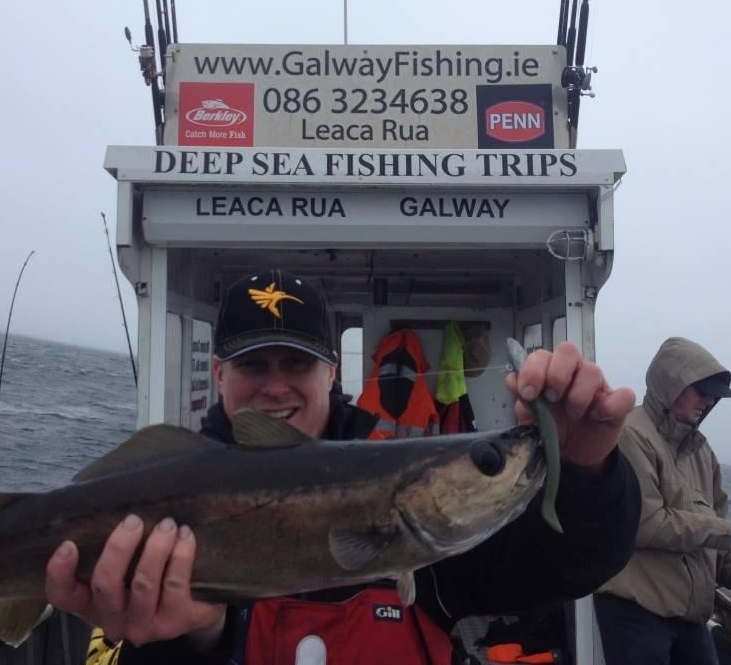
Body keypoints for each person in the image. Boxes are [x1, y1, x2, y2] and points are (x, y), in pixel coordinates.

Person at [46, 269, 642, 664]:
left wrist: (587, 468)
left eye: (296, 364)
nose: (275, 387)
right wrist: (190, 639)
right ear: (220, 376)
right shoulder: (158, 494)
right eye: (254, 365)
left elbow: (575, 560)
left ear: (332, 374)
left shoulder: (426, 535)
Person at [594, 336, 731, 665]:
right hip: (635, 612)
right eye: (701, 391)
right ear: (672, 384)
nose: (707, 401)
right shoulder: (630, 435)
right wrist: (725, 532)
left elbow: (715, 525)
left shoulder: (702, 452)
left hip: (689, 617)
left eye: (713, 397)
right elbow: (646, 523)